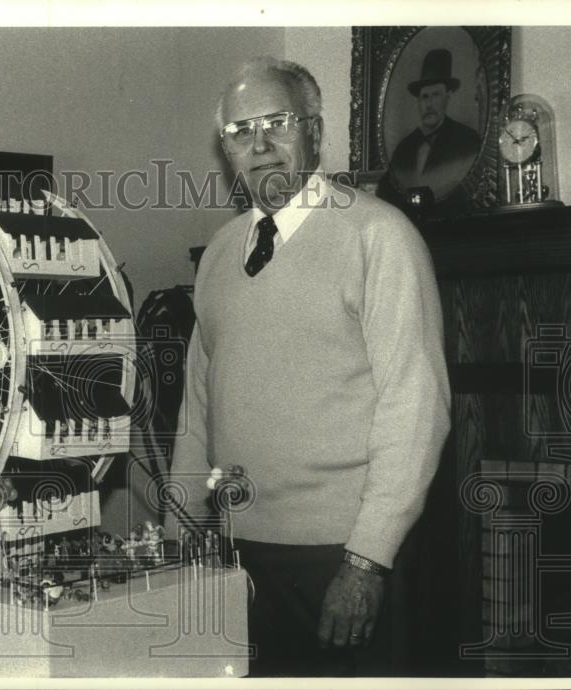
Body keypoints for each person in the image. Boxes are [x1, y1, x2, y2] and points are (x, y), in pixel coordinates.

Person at [167, 57, 451, 677]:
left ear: (316, 132)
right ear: (226, 150)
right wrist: (179, 536)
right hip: (235, 558)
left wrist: (366, 562)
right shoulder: (217, 256)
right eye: (241, 130)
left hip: (345, 558)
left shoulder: (379, 236)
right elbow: (197, 411)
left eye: (278, 122)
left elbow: (417, 407)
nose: (261, 144)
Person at [388, 48, 481, 200]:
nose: (429, 105)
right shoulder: (403, 149)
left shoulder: (467, 141)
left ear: (447, 97)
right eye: (424, 97)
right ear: (418, 102)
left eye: (436, 95)